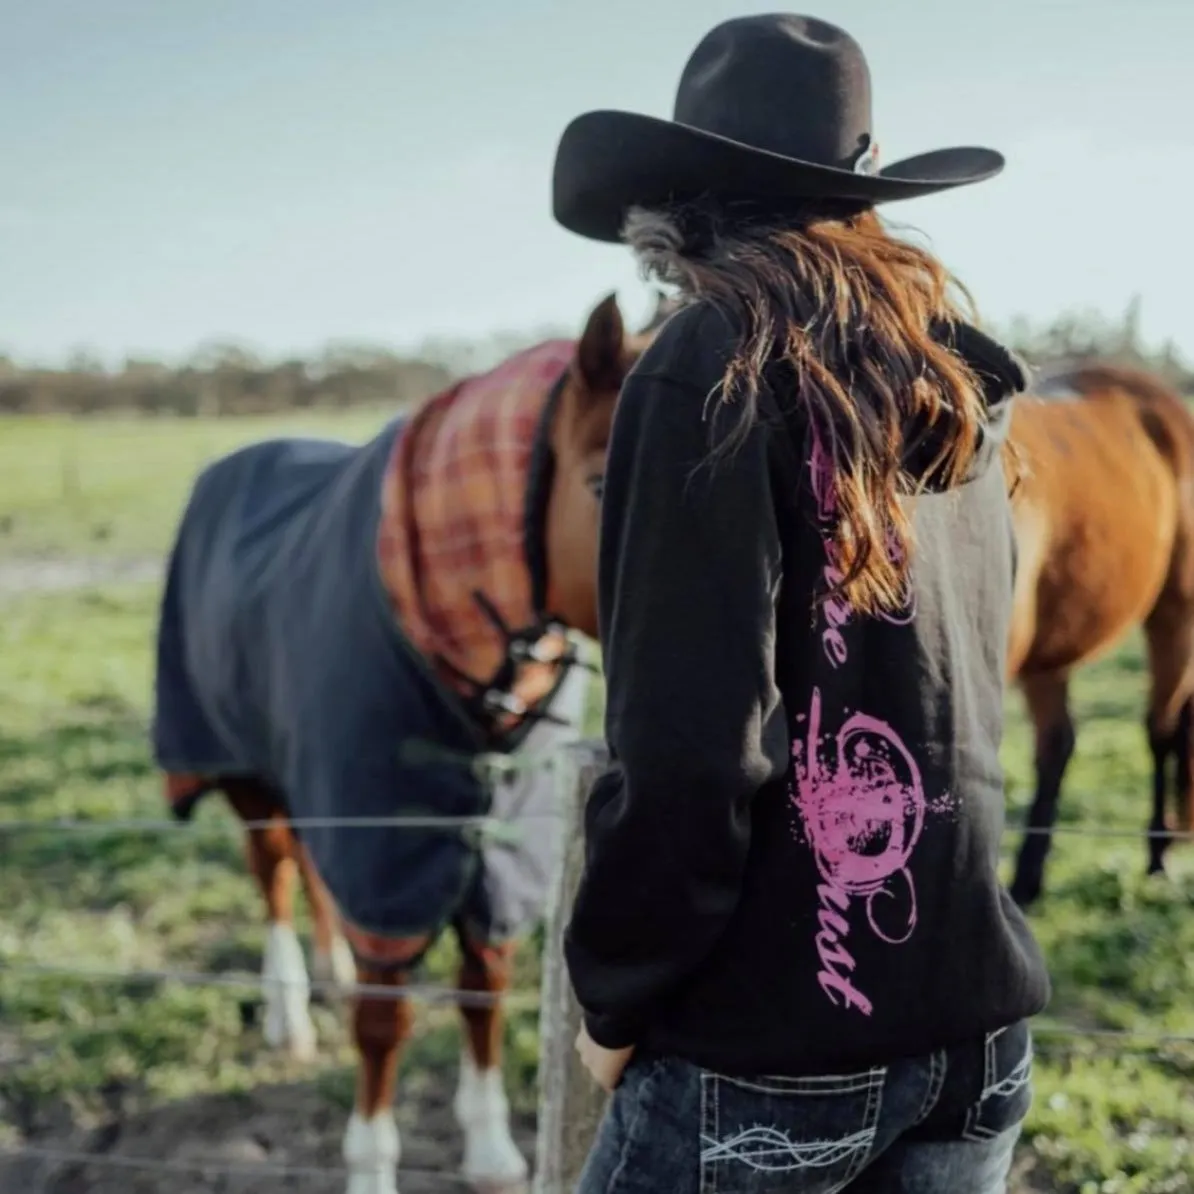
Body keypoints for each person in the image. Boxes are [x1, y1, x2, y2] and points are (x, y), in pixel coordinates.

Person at [549, 13, 1051, 1193]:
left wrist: (614, 1000)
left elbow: (688, 752)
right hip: (975, 1028)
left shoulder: (703, 365)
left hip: (771, 1049)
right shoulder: (953, 378)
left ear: (672, 207)